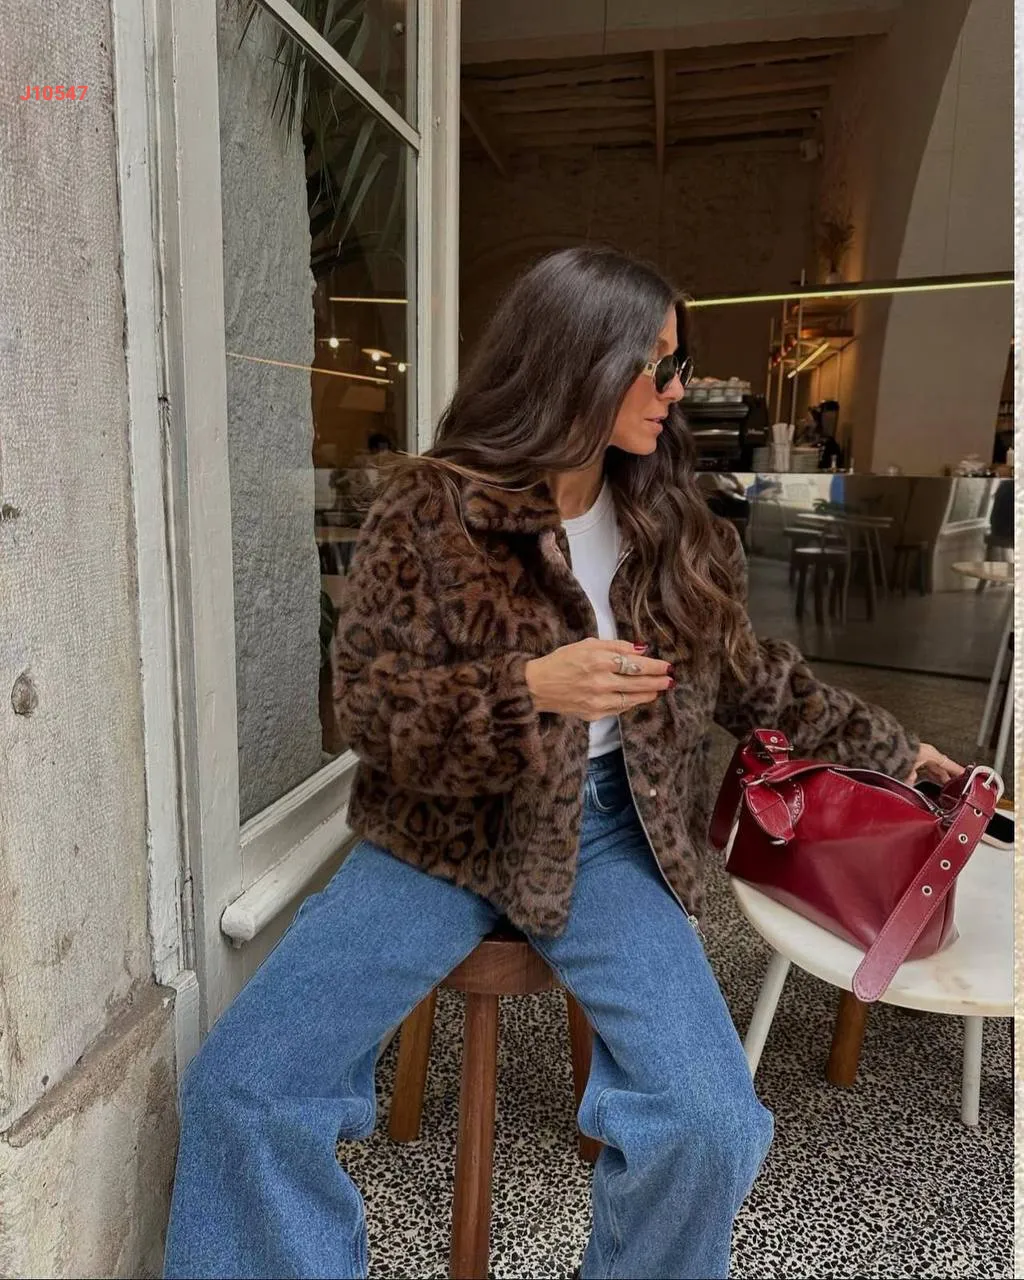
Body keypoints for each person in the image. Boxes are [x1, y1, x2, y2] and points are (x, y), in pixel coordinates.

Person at [164, 247, 961, 1280]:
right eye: (658, 364)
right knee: (244, 1087)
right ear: (578, 360)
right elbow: (366, 706)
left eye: (680, 365)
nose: (676, 390)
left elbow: (752, 677)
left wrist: (901, 752)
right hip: (441, 836)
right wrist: (529, 688)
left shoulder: (674, 526)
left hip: (610, 834)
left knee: (708, 1125)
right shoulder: (432, 508)